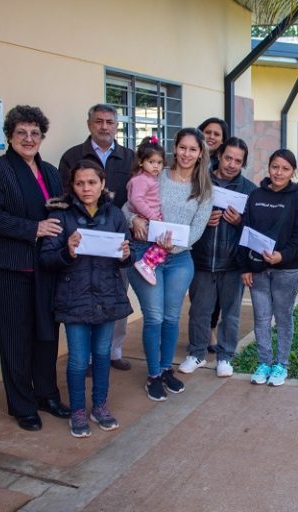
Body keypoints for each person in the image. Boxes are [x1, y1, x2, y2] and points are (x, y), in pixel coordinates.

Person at [0, 105, 70, 431]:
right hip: (9, 269)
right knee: (15, 338)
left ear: (42, 136)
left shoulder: (52, 172)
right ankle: (22, 404)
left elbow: (61, 210)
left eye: (34, 133)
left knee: (46, 335)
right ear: (10, 136)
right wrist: (34, 229)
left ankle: (47, 394)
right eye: (21, 133)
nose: (29, 139)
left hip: (46, 267)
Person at [41, 160, 133, 438]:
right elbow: (47, 258)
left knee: (103, 356)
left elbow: (127, 256)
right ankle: (79, 410)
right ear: (72, 186)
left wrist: (126, 254)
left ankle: (100, 407)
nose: (86, 188)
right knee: (79, 360)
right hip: (74, 299)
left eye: (92, 182)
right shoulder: (60, 216)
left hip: (107, 297)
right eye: (80, 183)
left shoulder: (115, 215)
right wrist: (67, 252)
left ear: (103, 184)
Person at [125, 128, 213, 401]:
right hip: (145, 256)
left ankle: (165, 369)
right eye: (183, 147)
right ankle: (153, 374)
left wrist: (171, 246)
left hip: (179, 259)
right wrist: (134, 221)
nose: (187, 154)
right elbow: (128, 206)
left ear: (201, 154)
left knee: (171, 318)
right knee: (154, 317)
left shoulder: (204, 189)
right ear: (175, 147)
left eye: (193, 149)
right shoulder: (156, 174)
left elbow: (197, 230)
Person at [59, 104, 135, 371]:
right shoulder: (72, 156)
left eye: (110, 122)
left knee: (116, 294)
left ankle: (113, 350)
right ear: (89, 124)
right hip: (81, 237)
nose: (104, 126)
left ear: (117, 126)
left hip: (114, 237)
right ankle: (89, 357)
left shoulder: (129, 157)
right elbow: (64, 195)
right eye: (99, 121)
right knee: (83, 296)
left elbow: (135, 196)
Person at [182, 137, 256, 376]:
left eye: (238, 161)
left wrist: (240, 222)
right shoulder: (200, 181)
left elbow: (255, 230)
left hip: (232, 263)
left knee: (231, 314)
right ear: (219, 156)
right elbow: (185, 216)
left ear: (243, 164)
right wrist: (203, 222)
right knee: (199, 311)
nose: (232, 164)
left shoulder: (249, 190)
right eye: (228, 158)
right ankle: (196, 354)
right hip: (202, 259)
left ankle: (225, 357)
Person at [241, 149, 298, 387]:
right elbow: (246, 231)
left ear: (293, 172)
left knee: (283, 317)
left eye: (285, 168)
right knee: (261, 318)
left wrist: (282, 255)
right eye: (275, 167)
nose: (279, 172)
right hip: (257, 268)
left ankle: (281, 364)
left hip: (287, 269)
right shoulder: (256, 195)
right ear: (268, 167)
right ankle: (264, 362)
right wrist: (245, 267)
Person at [197, 117, 231, 352]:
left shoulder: (224, 166)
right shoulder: (190, 160)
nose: (211, 137)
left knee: (216, 293)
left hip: (219, 237)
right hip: (192, 238)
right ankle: (198, 334)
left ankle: (210, 332)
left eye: (216, 134)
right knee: (198, 294)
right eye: (207, 132)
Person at [127, 136, 168, 285]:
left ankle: (149, 264)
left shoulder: (151, 178)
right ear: (141, 162)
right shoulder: (141, 180)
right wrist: (153, 217)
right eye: (151, 162)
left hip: (151, 217)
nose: (156, 166)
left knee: (164, 243)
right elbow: (137, 200)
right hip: (146, 219)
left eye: (159, 162)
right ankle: (146, 264)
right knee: (164, 241)